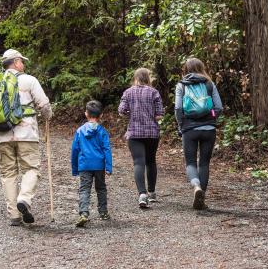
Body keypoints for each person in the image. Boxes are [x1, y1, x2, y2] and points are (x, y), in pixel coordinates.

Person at [0, 49, 52, 226]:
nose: (24, 64)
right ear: (15, 62)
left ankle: (14, 215)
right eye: (22, 61)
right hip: (27, 134)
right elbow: (44, 105)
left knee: (8, 174)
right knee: (31, 169)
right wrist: (47, 117)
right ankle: (24, 198)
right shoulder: (29, 80)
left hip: (2, 136)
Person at [175, 57, 223, 210]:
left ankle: (196, 187)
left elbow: (178, 109)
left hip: (189, 129)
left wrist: (181, 125)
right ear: (202, 68)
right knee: (204, 163)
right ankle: (202, 198)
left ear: (186, 69)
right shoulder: (209, 83)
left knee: (190, 162)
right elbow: (219, 108)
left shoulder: (181, 85)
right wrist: (211, 117)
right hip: (209, 129)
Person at [118, 68, 164, 208]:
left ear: (136, 78)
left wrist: (130, 113)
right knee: (151, 162)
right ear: (148, 78)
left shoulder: (128, 92)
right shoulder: (154, 92)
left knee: (139, 163)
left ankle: (142, 194)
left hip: (134, 133)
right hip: (151, 133)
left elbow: (121, 111)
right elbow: (159, 115)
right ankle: (152, 193)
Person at [71, 100, 112, 227]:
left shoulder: (80, 131)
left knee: (84, 189)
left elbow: (75, 150)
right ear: (101, 115)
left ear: (86, 114)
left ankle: (84, 213)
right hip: (99, 165)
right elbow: (107, 149)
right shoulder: (102, 131)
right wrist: (108, 166)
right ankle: (103, 212)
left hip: (84, 165)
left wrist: (75, 168)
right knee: (101, 188)